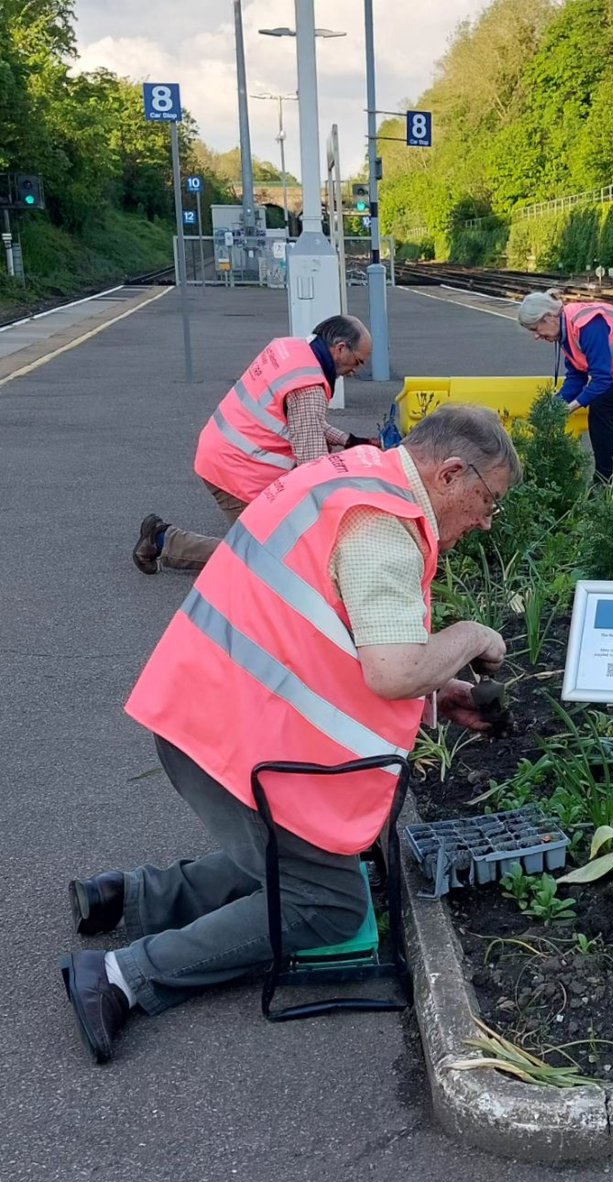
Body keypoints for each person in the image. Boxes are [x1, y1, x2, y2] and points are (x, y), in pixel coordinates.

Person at [60, 406, 520, 1063]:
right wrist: (474, 636)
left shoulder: (349, 479)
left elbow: (326, 637)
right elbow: (391, 671)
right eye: (488, 500)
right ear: (451, 473)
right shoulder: (386, 526)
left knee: (293, 863)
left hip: (210, 710)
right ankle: (120, 977)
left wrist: (440, 694)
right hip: (238, 740)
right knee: (326, 903)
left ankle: (126, 896)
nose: (485, 520)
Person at [133, 314, 378, 575]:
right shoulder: (309, 388)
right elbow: (312, 467)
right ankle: (163, 540)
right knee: (269, 556)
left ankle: (162, 539)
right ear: (341, 349)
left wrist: (348, 441)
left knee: (268, 547)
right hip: (239, 469)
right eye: (358, 361)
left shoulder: (290, 350)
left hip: (224, 449)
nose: (356, 370)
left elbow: (301, 420)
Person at [517, 290, 613, 480]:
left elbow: (601, 380)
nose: (536, 336)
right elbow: (576, 376)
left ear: (548, 318)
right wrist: (555, 406)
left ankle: (604, 478)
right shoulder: (566, 330)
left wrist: (572, 406)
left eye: (535, 329)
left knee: (602, 408)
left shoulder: (586, 325)